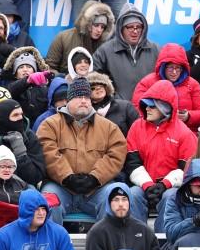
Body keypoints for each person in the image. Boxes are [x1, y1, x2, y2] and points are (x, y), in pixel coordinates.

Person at [38, 76, 142, 224]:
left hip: (97, 190)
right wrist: (67, 177)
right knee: (47, 200)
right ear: (68, 100)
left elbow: (116, 154)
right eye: (79, 97)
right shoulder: (49, 125)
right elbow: (48, 153)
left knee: (118, 193)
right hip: (61, 187)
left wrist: (94, 178)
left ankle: (108, 245)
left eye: (87, 97)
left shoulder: (108, 127)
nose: (84, 101)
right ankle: (52, 245)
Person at [125, 80, 198, 215]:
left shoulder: (184, 132)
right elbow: (131, 162)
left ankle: (165, 235)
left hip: (172, 186)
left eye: (151, 106)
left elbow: (187, 168)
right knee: (133, 194)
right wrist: (147, 185)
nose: (146, 108)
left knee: (170, 197)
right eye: (145, 105)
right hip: (142, 185)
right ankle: (135, 235)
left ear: (164, 107)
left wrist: (164, 185)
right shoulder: (136, 127)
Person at [85, 183, 163, 250]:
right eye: (116, 200)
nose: (120, 204)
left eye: (124, 199)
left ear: (130, 202)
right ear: (108, 203)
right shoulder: (96, 232)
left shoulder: (144, 230)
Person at [0, 145, 49, 234]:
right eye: (2, 166)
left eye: (10, 166)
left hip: (20, 231)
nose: (7, 169)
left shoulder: (21, 185)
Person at [132, 43, 200, 133]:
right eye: (170, 67)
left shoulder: (192, 84)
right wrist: (159, 117)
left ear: (183, 68)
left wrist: (188, 116)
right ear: (163, 67)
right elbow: (137, 108)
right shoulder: (148, 82)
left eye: (178, 68)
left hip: (184, 134)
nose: (174, 72)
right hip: (154, 133)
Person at [91, 4, 159, 104]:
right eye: (130, 27)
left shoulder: (155, 50)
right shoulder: (104, 51)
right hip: (118, 111)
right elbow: (94, 80)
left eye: (138, 27)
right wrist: (113, 99)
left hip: (150, 110)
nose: (135, 31)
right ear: (121, 28)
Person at [45, 0, 114, 73]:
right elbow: (49, 68)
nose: (99, 30)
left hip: (93, 82)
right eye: (96, 25)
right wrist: (63, 80)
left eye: (103, 27)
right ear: (87, 23)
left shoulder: (105, 45)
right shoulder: (63, 37)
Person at [3, 46, 50, 126]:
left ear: (35, 71)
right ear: (15, 73)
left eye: (29, 67)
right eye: (21, 67)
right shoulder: (10, 87)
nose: (25, 69)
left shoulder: (43, 88)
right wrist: (28, 80)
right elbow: (10, 91)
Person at [87, 72, 137, 139]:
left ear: (107, 87)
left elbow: (137, 131)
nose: (98, 89)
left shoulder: (125, 107)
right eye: (93, 88)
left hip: (124, 148)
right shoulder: (86, 112)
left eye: (101, 85)